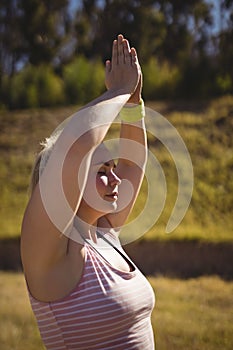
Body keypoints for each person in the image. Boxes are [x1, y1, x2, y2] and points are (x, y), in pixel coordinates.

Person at [21, 34, 155, 350]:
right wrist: (118, 91)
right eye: (102, 172)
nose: (116, 180)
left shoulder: (106, 233)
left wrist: (134, 102)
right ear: (71, 180)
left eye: (111, 170)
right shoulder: (50, 254)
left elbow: (133, 163)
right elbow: (77, 147)